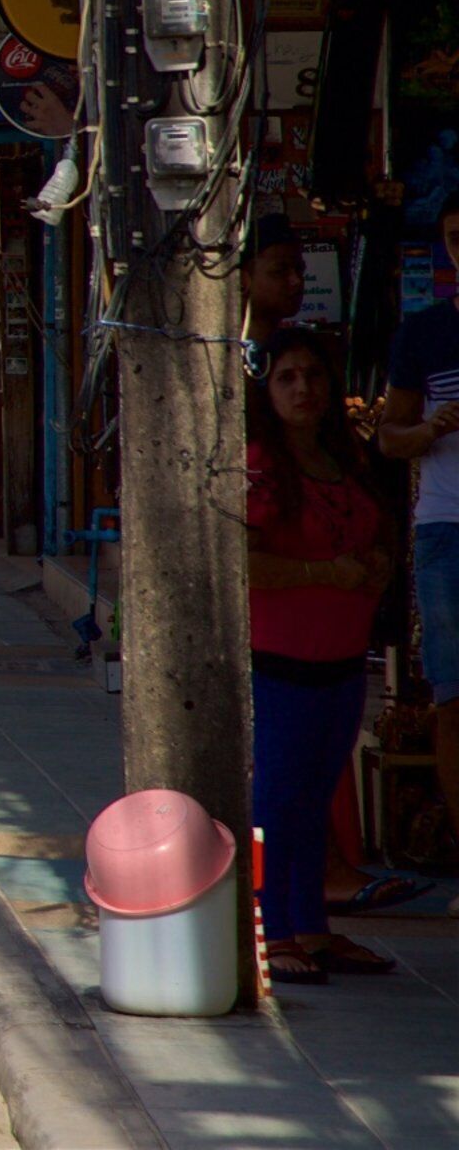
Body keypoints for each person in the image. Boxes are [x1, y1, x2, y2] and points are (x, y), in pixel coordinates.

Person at [246, 330, 398, 983]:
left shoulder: (349, 458)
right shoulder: (258, 464)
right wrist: (323, 571)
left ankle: (311, 928)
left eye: (312, 375)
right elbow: (242, 562)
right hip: (281, 662)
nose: (303, 388)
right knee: (276, 803)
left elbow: (380, 531)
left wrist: (379, 567)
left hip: (342, 661)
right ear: (266, 389)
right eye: (286, 377)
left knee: (313, 805)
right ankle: (268, 931)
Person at [374, 197, 459, 873]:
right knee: (453, 700)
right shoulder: (425, 334)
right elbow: (389, 437)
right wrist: (431, 430)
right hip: (445, 530)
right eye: (458, 239)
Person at [241, 215, 309, 377]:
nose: (296, 281)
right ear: (243, 280)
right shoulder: (224, 356)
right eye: (280, 271)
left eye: (299, 270)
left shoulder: (305, 356)